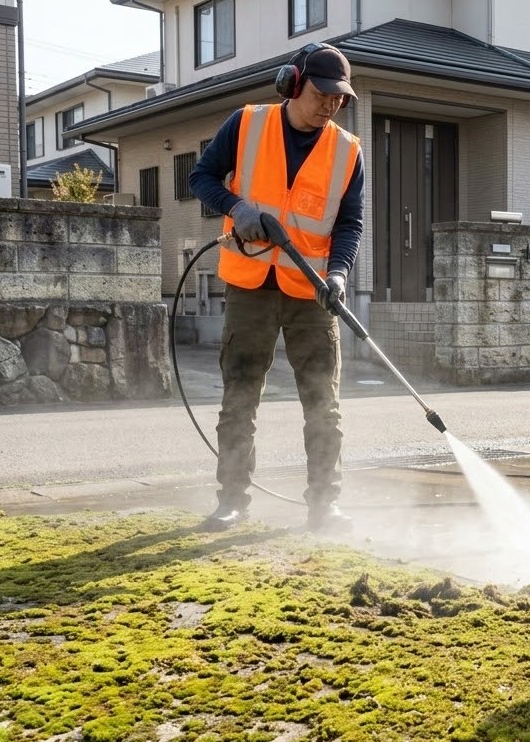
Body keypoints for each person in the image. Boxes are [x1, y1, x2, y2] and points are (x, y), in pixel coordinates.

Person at [189, 42, 364, 533]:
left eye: (340, 98)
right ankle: (232, 501)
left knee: (322, 402)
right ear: (293, 84)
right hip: (250, 285)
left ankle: (323, 505)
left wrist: (338, 273)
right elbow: (199, 177)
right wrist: (236, 207)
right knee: (240, 396)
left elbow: (349, 222)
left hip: (312, 293)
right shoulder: (247, 123)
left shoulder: (347, 151)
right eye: (323, 93)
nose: (331, 104)